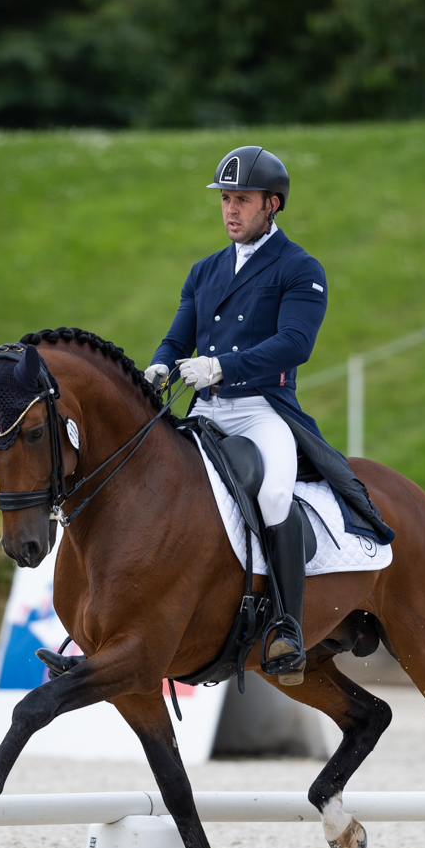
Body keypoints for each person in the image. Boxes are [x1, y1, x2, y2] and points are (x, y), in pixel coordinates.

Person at [145, 145, 329, 679]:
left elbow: (296, 343)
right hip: (206, 409)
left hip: (261, 408)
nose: (230, 210)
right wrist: (159, 367)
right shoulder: (204, 271)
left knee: (273, 494)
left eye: (242, 200)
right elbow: (177, 335)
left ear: (272, 204)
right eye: (225, 200)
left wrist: (223, 366)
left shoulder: (299, 268)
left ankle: (288, 628)